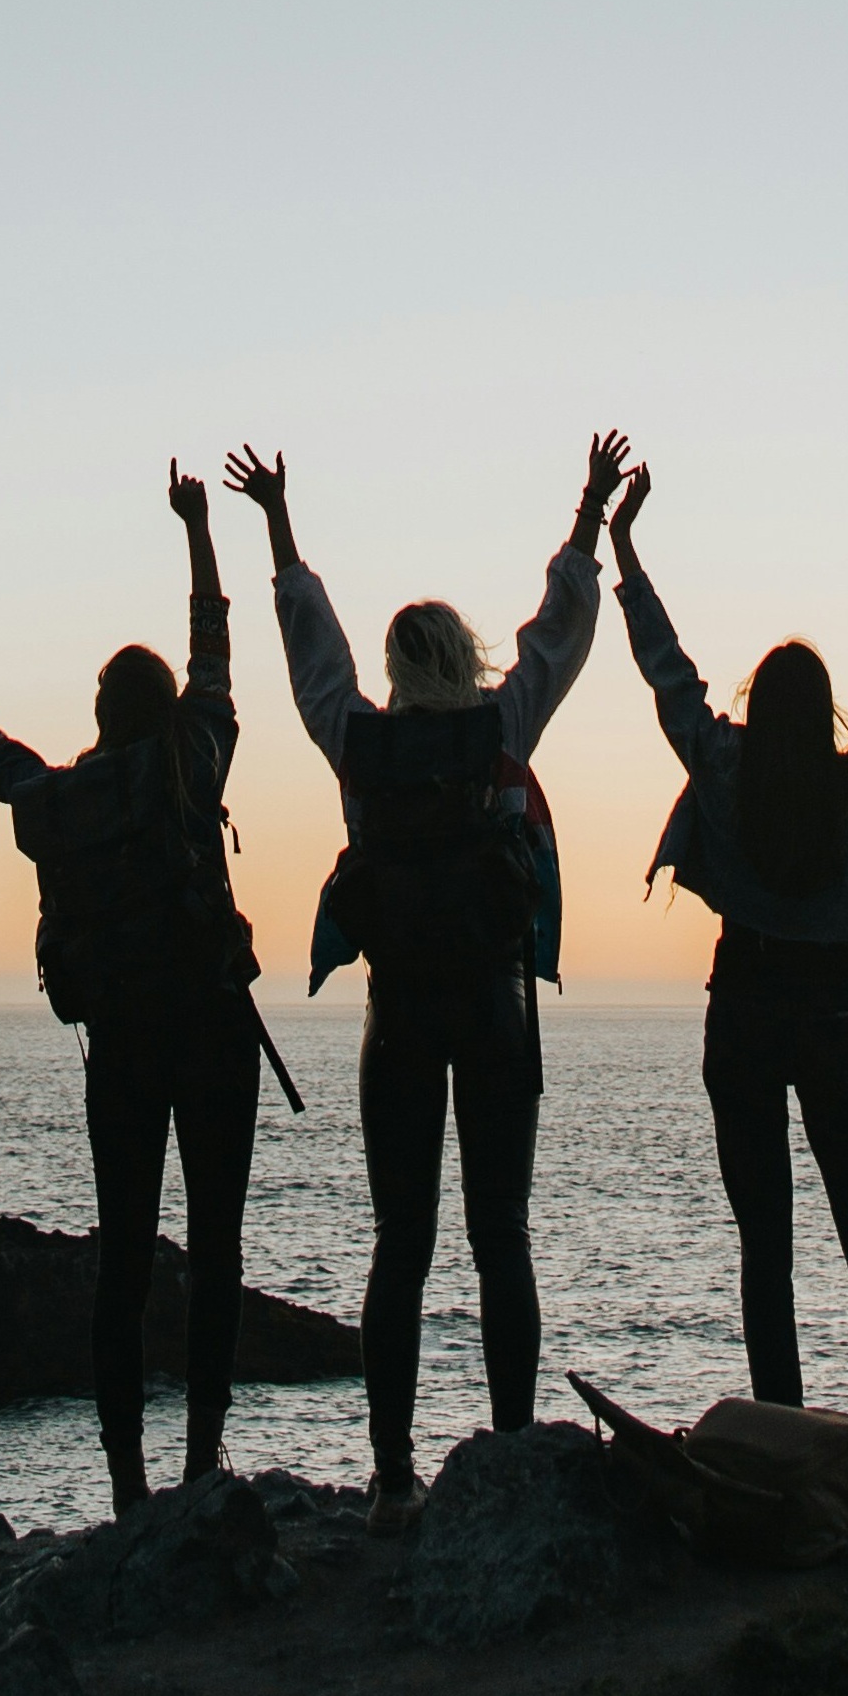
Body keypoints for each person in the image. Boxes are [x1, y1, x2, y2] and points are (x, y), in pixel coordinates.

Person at [223, 431, 629, 1533]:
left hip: (395, 1018)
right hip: (497, 1013)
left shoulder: (358, 743)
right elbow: (563, 630)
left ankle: (392, 1477)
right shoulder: (504, 729)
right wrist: (587, 510)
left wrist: (278, 526)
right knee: (501, 1232)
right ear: (466, 655)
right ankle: (501, 1451)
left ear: (398, 669)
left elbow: (310, 650)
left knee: (399, 1242)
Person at [0, 463, 265, 1517]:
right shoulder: (194, 762)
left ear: (99, 712)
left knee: (121, 1260)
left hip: (120, 1047)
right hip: (213, 1033)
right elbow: (214, 649)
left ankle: (126, 1487)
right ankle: (202, 1463)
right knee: (215, 1252)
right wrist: (198, 530)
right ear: (165, 709)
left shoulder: (62, 799)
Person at [605, 463, 848, 1491]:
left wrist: (625, 548)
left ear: (753, 706)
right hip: (828, 1009)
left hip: (743, 1005)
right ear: (823, 711)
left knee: (761, 1239)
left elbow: (663, 668)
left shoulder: (719, 766)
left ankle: (773, 1431)